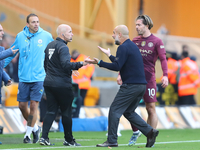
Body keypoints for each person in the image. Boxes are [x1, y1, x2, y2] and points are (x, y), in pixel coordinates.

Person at [86, 25, 159, 147]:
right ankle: (150, 131)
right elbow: (121, 62)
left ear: (120, 34)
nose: (112, 35)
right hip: (141, 86)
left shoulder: (122, 47)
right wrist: (109, 55)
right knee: (128, 111)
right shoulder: (131, 46)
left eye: (114, 33)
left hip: (131, 86)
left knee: (114, 110)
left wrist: (99, 62)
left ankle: (112, 140)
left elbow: (117, 66)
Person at [116, 15, 168, 146]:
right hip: (133, 79)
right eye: (136, 25)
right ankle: (135, 131)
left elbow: (163, 59)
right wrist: (120, 74)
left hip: (149, 79)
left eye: (139, 25)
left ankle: (150, 138)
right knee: (128, 108)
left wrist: (165, 75)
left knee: (150, 108)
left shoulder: (156, 41)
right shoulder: (134, 40)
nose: (136, 27)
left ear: (147, 25)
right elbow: (126, 58)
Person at [4, 14, 53, 144]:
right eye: (33, 22)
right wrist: (1, 66)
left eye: (37, 22)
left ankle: (27, 135)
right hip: (24, 78)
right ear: (27, 24)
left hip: (39, 77)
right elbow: (11, 52)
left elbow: (55, 52)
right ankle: (36, 128)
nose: (36, 24)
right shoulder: (20, 36)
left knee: (33, 105)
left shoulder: (46, 36)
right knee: (21, 106)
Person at [39, 24, 88, 146]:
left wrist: (54, 75)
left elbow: (46, 65)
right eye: (70, 32)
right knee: (66, 112)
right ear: (62, 34)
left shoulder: (50, 45)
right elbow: (66, 64)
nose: (72, 34)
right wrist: (81, 63)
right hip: (62, 84)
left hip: (49, 83)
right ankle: (69, 140)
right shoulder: (63, 47)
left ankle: (44, 138)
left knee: (50, 111)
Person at [0, 24, 18, 145]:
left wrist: (6, 78)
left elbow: (0, 68)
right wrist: (9, 52)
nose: (2, 32)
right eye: (0, 30)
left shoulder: (1, 49)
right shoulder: (4, 51)